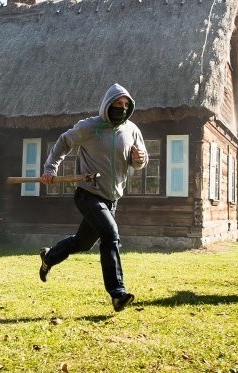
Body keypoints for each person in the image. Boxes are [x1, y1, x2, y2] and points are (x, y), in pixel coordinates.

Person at [38, 83, 148, 312]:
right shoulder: (90, 126)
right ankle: (118, 293)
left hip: (112, 197)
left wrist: (140, 159)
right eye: (118, 104)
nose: (123, 108)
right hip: (88, 194)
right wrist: (50, 168)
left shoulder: (132, 130)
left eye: (126, 104)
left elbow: (139, 161)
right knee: (111, 234)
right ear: (108, 105)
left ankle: (49, 257)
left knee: (83, 242)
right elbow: (64, 142)